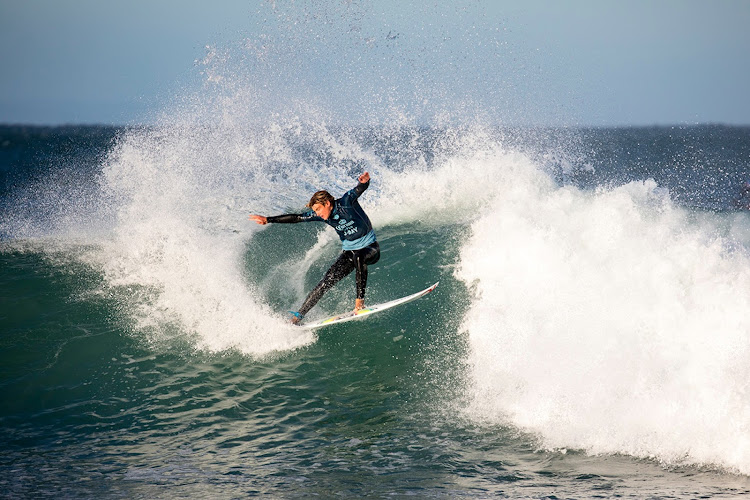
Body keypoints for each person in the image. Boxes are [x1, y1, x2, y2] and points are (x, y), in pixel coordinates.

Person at [249, 172, 380, 324]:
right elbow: (297, 217)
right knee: (326, 281)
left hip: (370, 249)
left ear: (327, 204)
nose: (316, 213)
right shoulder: (322, 214)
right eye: (315, 211)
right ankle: (297, 317)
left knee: (359, 257)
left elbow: (358, 190)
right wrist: (268, 220)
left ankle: (360, 304)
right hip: (350, 252)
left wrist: (364, 183)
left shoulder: (346, 202)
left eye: (318, 209)